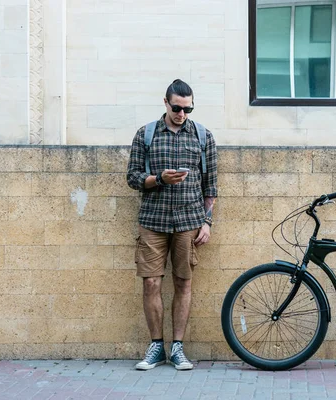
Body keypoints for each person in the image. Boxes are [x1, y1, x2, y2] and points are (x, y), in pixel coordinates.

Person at [126, 79, 217, 371]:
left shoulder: (203, 136)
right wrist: (159, 179)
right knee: (151, 281)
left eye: (187, 108)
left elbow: (211, 185)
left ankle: (177, 347)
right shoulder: (146, 134)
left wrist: (207, 222)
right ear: (165, 103)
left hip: (189, 221)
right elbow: (132, 177)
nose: (182, 113)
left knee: (183, 282)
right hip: (153, 220)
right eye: (177, 107)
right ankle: (156, 346)